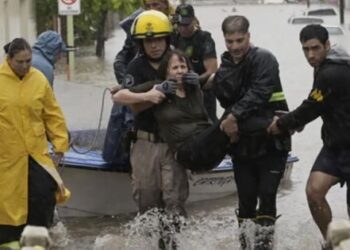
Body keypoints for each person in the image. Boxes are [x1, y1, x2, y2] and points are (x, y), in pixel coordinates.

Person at [267, 24, 350, 248]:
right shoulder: (323, 66)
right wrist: (297, 121)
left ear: (328, 45)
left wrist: (282, 125)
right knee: (314, 191)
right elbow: (318, 105)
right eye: (305, 49)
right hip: (335, 145)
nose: (310, 55)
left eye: (315, 48)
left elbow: (311, 108)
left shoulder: (332, 71)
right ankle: (331, 242)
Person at [213, 15, 291, 250]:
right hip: (242, 144)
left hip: (272, 142)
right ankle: (246, 246)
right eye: (229, 42)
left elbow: (259, 92)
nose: (235, 47)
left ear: (249, 35)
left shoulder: (265, 58)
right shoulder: (226, 64)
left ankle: (265, 247)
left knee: (267, 196)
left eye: (239, 40)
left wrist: (233, 117)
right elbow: (224, 96)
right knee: (246, 201)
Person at [112, 10, 185, 249]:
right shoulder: (136, 67)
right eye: (148, 41)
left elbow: (198, 90)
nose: (154, 45)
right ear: (141, 43)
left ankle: (171, 244)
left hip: (173, 143)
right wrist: (149, 96)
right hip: (145, 143)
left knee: (173, 201)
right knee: (146, 199)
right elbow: (123, 97)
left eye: (158, 39)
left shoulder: (178, 62)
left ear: (167, 39)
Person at [0, 38, 69, 246]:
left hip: (37, 156)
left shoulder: (38, 79)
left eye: (28, 61)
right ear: (9, 60)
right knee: (7, 207)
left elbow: (53, 114)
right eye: (20, 61)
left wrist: (60, 146)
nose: (25, 66)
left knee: (42, 199)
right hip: (7, 159)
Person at [103, 0, 174, 165]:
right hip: (145, 129)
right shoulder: (138, 30)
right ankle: (119, 158)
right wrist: (131, 87)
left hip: (172, 131)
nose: (154, 45)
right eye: (148, 6)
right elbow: (120, 61)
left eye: (156, 5)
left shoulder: (177, 44)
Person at [171, 3, 218, 122]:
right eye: (180, 25)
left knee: (207, 122)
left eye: (187, 24)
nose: (183, 28)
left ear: (193, 20)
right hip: (179, 90)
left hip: (202, 90)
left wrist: (198, 80)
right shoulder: (173, 37)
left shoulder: (204, 39)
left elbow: (212, 70)